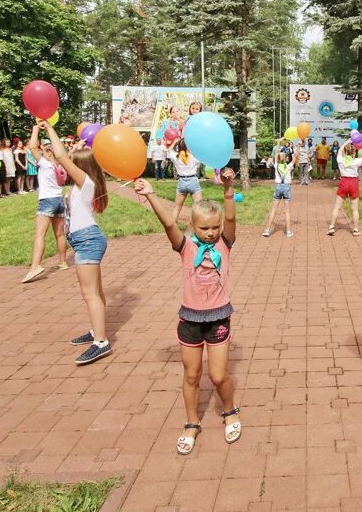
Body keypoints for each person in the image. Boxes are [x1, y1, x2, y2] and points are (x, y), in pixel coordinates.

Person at [134, 168, 242, 455]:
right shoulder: (185, 246)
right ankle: (192, 423)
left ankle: (229, 411)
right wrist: (151, 195)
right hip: (190, 319)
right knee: (191, 375)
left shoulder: (225, 243)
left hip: (218, 315)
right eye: (204, 228)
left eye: (214, 227)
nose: (210, 233)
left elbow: (230, 217)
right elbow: (169, 223)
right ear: (193, 226)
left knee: (218, 376)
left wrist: (228, 189)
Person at [39, 121, 112, 365]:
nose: (68, 162)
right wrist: (78, 147)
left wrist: (49, 128)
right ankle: (96, 330)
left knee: (89, 293)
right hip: (86, 240)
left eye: (73, 161)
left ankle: (101, 342)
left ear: (79, 166)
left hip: (87, 240)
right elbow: (66, 156)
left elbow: (60, 156)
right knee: (96, 292)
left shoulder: (86, 184)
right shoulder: (85, 185)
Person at [22, 127, 69, 283]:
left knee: (40, 234)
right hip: (59, 200)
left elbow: (32, 147)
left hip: (47, 200)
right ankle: (62, 262)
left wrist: (35, 129)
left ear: (49, 154)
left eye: (45, 152)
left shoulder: (45, 164)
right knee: (60, 234)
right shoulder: (61, 166)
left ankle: (35, 266)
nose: (41, 154)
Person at [327, 143, 362, 237]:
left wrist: (347, 142)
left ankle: (331, 227)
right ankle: (355, 229)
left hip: (344, 182)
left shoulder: (340, 159)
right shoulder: (356, 161)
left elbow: (340, 150)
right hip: (353, 183)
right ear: (354, 152)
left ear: (345, 152)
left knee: (337, 207)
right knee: (355, 209)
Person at [167, 138, 202, 222]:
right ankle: (195, 225)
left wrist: (175, 141)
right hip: (193, 180)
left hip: (181, 182)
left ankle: (173, 227)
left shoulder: (176, 156)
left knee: (177, 207)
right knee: (199, 206)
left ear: (179, 146)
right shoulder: (194, 156)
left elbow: (169, 150)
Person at [262, 148, 294, 237]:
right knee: (287, 211)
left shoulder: (276, 165)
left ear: (278, 159)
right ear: (286, 159)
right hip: (286, 187)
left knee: (274, 209)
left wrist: (278, 144)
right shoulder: (289, 166)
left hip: (278, 186)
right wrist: (298, 146)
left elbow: (275, 154)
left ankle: (267, 230)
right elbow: (296, 156)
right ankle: (288, 232)